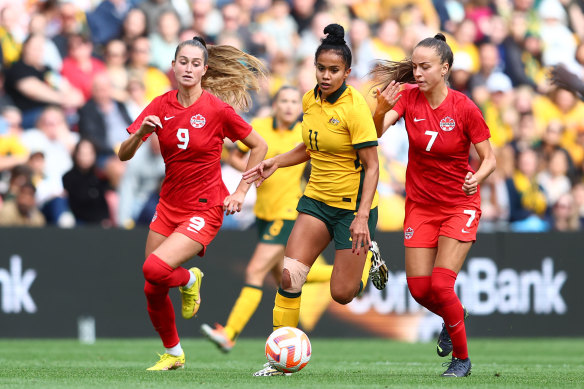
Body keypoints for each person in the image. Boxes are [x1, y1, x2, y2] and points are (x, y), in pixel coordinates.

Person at [243, 24, 388, 377]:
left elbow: (372, 167)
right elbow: (309, 148)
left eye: (333, 70)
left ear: (347, 72)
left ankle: (369, 256)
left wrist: (361, 216)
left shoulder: (355, 109)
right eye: (321, 68)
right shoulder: (309, 100)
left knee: (341, 294)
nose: (325, 75)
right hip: (316, 201)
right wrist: (276, 161)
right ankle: (280, 359)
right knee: (290, 278)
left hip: (353, 209)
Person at [118, 36, 268, 371]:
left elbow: (259, 146)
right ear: (173, 67)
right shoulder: (159, 105)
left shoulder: (216, 110)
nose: (188, 68)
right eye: (182, 62)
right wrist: (140, 132)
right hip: (168, 205)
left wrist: (241, 191)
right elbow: (123, 154)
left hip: (204, 208)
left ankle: (189, 280)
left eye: (195, 63)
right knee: (152, 287)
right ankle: (174, 354)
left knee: (155, 269)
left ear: (205, 69)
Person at [201, 85, 374, 352]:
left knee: (255, 271)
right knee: (288, 276)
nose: (290, 106)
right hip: (263, 213)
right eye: (284, 100)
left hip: (289, 212)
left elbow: (319, 152)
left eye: (294, 101)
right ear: (275, 104)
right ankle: (359, 266)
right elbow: (236, 156)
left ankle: (231, 333)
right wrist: (256, 169)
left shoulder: (303, 129)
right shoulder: (260, 125)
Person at [371, 33, 496, 377]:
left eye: (425, 67)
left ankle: (462, 360)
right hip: (421, 206)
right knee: (419, 288)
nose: (418, 73)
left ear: (445, 68)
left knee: (441, 285)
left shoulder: (464, 107)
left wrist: (478, 177)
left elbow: (489, 159)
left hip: (459, 203)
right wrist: (381, 109)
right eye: (414, 66)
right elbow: (378, 132)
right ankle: (454, 314)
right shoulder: (409, 98)